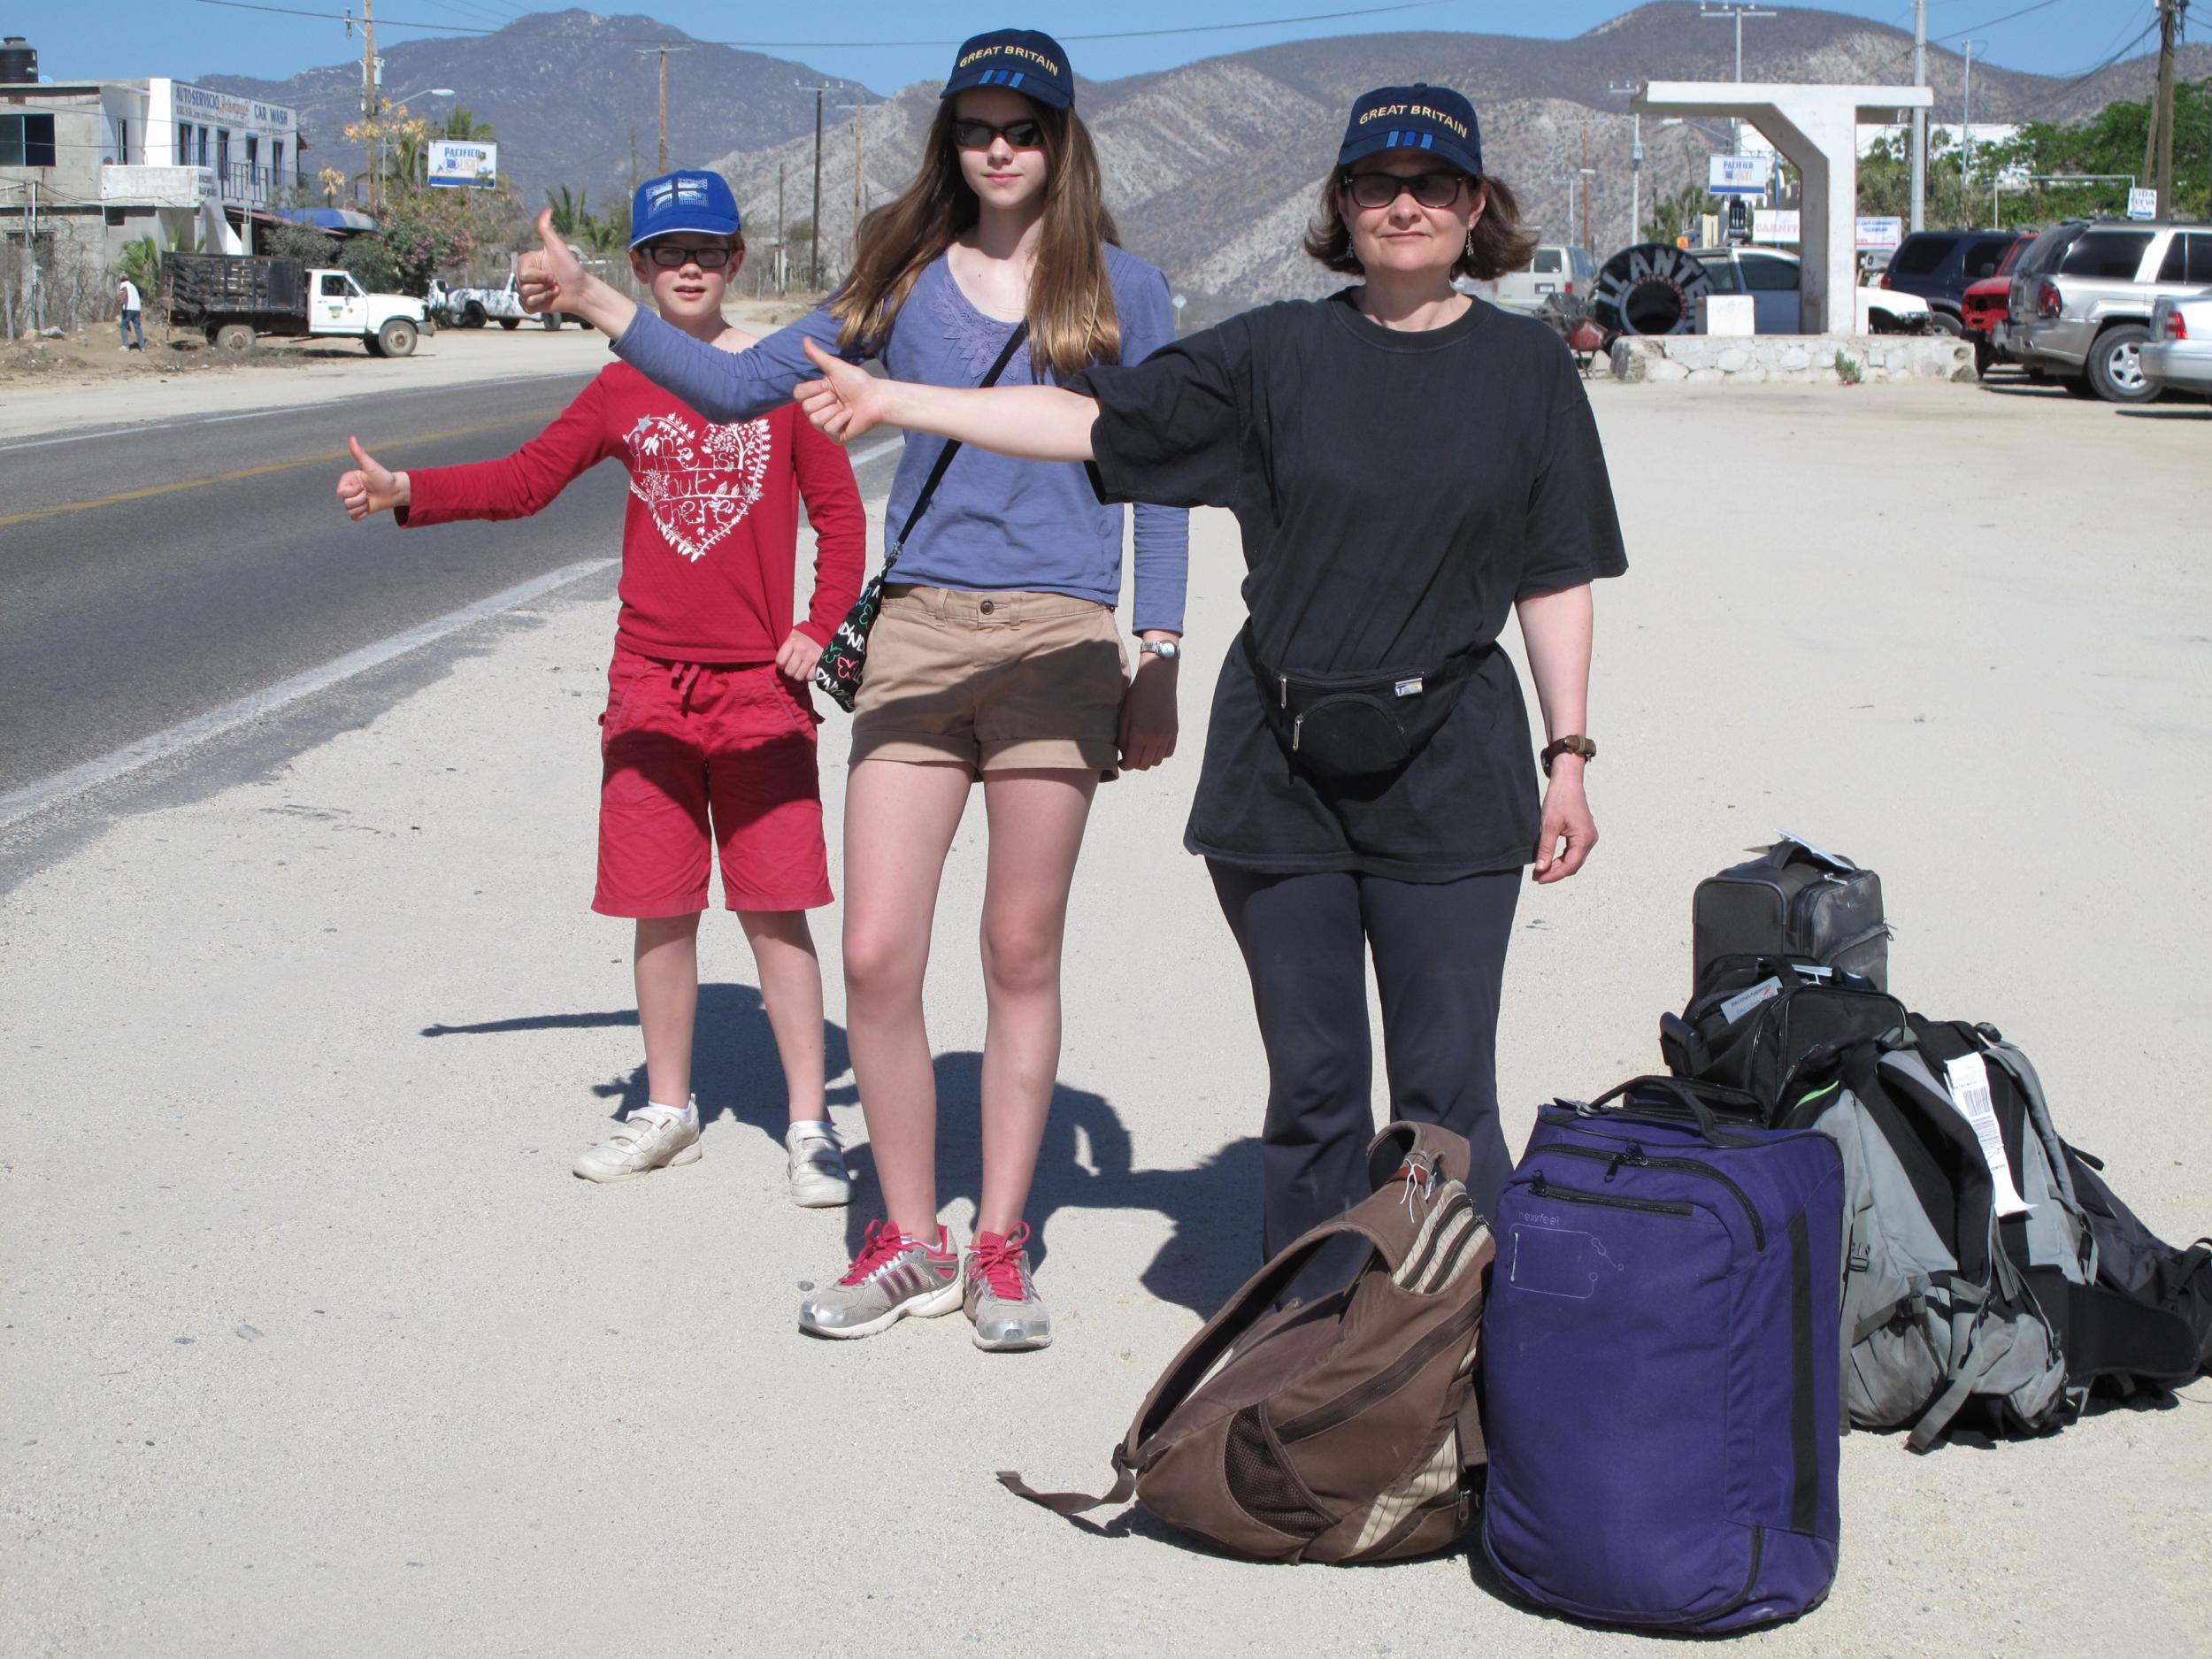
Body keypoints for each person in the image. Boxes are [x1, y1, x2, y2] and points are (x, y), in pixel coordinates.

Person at [792, 84, 1627, 1296]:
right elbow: (1085, 419)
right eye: (1376, 184)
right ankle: (1300, 1360)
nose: (1405, 205)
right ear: (1342, 206)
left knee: (1448, 1096)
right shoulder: (1276, 353)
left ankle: (1450, 1359)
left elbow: (1554, 573)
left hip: (1453, 761)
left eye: (1433, 184)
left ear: (1476, 206)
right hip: (1282, 769)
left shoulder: (1528, 368)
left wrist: (1571, 753)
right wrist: (893, 401)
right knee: (1317, 1087)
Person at [518, 28, 1189, 1352]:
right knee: (878, 952)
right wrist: (603, 302)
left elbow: (1158, 478)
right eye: (977, 127)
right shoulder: (901, 280)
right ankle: (905, 1236)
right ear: (951, 142)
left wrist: (1156, 652)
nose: (1000, 149)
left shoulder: (1125, 287)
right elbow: (726, 386)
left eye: (1026, 126)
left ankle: (999, 1242)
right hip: (923, 638)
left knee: (1018, 949)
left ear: (1064, 137)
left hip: (1061, 640)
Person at [334, 171, 866, 1204]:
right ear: (637, 269)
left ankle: (810, 1120)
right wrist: (411, 493)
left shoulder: (783, 376)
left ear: (737, 260)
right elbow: (526, 480)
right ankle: (669, 1108)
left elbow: (840, 521)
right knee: (660, 907)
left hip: (760, 694)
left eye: (708, 248)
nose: (690, 266)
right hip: (650, 691)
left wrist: (817, 625)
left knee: (775, 909)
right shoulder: (625, 384)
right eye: (668, 252)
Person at [118, 277, 145, 350]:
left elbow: (124, 295)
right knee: (137, 327)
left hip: (128, 309)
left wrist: (121, 303)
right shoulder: (133, 286)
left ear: (121, 281)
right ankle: (142, 346)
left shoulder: (125, 285)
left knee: (123, 326)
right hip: (137, 309)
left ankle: (125, 346)